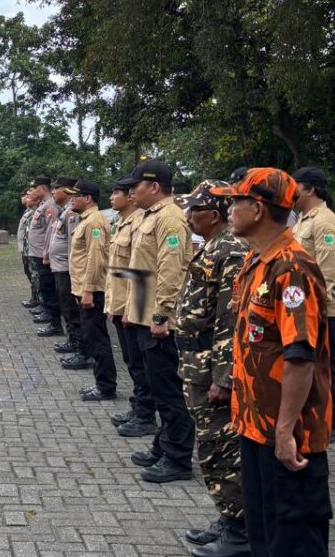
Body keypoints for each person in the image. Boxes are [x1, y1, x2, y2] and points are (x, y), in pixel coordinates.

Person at [210, 168, 332, 557]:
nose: (228, 208)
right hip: (254, 426)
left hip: (289, 434)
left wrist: (284, 431)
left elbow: (300, 356)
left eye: (235, 201)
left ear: (258, 208)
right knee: (263, 536)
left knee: (294, 540)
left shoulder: (292, 267)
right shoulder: (257, 262)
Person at [174, 181, 249, 556]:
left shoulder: (231, 251)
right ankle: (228, 516)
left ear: (214, 215)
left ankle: (241, 532)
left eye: (194, 210)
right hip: (196, 364)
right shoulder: (213, 247)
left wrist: (224, 377)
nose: (188, 216)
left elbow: (229, 320)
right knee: (210, 447)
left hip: (212, 368)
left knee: (222, 448)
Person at [121, 159, 196, 483]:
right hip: (143, 315)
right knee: (157, 387)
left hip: (159, 321)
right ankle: (163, 447)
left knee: (170, 393)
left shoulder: (170, 219)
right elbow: (140, 270)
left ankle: (178, 458)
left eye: (135, 185)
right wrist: (130, 307)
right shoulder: (149, 217)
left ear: (153, 186)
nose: (131, 192)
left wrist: (162, 314)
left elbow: (171, 271)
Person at [291, 166, 335, 442]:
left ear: (310, 190)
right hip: (307, 304)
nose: (291, 192)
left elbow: (326, 272)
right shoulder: (304, 219)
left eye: (296, 186)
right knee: (311, 364)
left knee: (329, 365)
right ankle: (318, 413)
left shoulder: (324, 221)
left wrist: (314, 306)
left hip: (326, 307)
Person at [106, 180, 156, 435]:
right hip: (120, 302)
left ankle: (146, 415)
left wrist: (128, 308)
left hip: (133, 305)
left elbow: (140, 272)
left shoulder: (139, 222)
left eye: (116, 192)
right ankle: (138, 407)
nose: (112, 197)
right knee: (131, 360)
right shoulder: (122, 222)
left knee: (139, 364)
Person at [66, 179, 115, 399]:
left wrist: (88, 290)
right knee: (93, 337)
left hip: (92, 290)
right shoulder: (86, 220)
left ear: (87, 198)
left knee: (97, 340)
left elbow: (96, 260)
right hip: (85, 288)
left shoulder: (94, 222)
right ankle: (102, 382)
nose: (71, 200)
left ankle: (106, 386)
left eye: (75, 196)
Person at [40, 178, 82, 348]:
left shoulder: (72, 213)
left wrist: (73, 269)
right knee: (66, 307)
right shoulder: (64, 211)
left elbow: (74, 244)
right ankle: (72, 340)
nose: (54, 192)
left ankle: (77, 343)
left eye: (57, 189)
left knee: (71, 309)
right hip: (59, 267)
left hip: (66, 268)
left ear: (67, 191)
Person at [27, 177, 59, 326]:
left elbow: (50, 231)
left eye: (35, 188)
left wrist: (47, 253)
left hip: (43, 253)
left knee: (48, 287)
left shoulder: (50, 206)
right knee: (43, 285)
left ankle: (53, 319)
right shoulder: (44, 205)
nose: (33, 191)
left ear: (43, 188)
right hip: (38, 252)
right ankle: (47, 312)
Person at [19, 190, 41, 309]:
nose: (25, 198)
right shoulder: (28, 212)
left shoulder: (35, 212)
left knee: (36, 276)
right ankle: (35, 298)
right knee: (31, 275)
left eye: (28, 196)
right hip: (27, 249)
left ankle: (39, 301)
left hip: (34, 250)